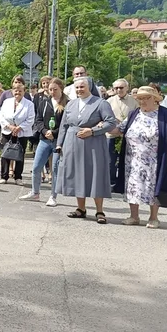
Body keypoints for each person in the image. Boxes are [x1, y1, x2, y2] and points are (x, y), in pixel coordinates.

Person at [113, 85, 167, 229]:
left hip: (155, 158)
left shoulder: (165, 115)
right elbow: (119, 129)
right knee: (132, 187)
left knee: (153, 187)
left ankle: (154, 217)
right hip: (133, 159)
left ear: (155, 99)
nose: (142, 101)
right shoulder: (134, 114)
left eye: (146, 98)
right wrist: (102, 125)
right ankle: (134, 216)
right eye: (140, 98)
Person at [57, 77, 117, 224]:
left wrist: (93, 130)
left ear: (89, 87)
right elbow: (64, 126)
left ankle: (99, 211)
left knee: (95, 174)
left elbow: (111, 122)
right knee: (78, 175)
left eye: (82, 87)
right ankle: (81, 208)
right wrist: (60, 144)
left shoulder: (100, 103)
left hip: (93, 144)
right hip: (73, 143)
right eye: (77, 87)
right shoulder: (71, 104)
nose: (79, 90)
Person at [20, 77, 67, 206]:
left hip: (59, 140)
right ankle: (35, 192)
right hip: (44, 139)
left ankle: (53, 196)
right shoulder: (45, 102)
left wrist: (55, 133)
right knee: (36, 167)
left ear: (61, 89)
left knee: (55, 168)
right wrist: (44, 131)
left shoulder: (67, 103)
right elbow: (38, 120)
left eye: (55, 89)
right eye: (50, 89)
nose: (52, 92)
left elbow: (67, 124)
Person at [0, 83, 35, 185]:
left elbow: (31, 119)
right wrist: (9, 126)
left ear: (24, 92)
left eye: (20, 91)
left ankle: (18, 177)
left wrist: (19, 127)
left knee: (20, 154)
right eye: (15, 90)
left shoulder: (29, 104)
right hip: (8, 130)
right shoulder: (6, 102)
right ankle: (4, 176)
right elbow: (2, 116)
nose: (17, 92)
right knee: (5, 154)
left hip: (21, 132)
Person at [107, 78, 137, 187]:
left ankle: (124, 183)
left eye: (121, 87)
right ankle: (111, 182)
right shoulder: (108, 101)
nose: (119, 90)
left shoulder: (134, 101)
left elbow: (137, 116)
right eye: (116, 88)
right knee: (111, 161)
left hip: (127, 136)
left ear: (127, 88)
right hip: (111, 135)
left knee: (126, 160)